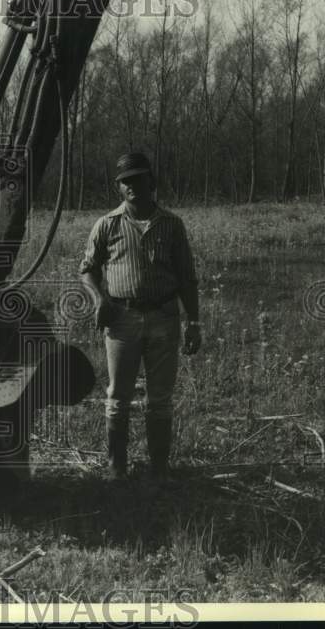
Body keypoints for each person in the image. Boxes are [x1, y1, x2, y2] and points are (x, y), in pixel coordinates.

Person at [79, 152, 201, 481]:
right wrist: (99, 298)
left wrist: (194, 321)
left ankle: (159, 471)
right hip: (122, 320)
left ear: (152, 181)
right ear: (119, 188)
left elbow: (187, 277)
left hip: (164, 318)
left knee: (159, 399)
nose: (132, 186)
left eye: (138, 179)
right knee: (118, 397)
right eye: (125, 182)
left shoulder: (172, 225)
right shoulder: (107, 225)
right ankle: (116, 469)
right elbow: (87, 270)